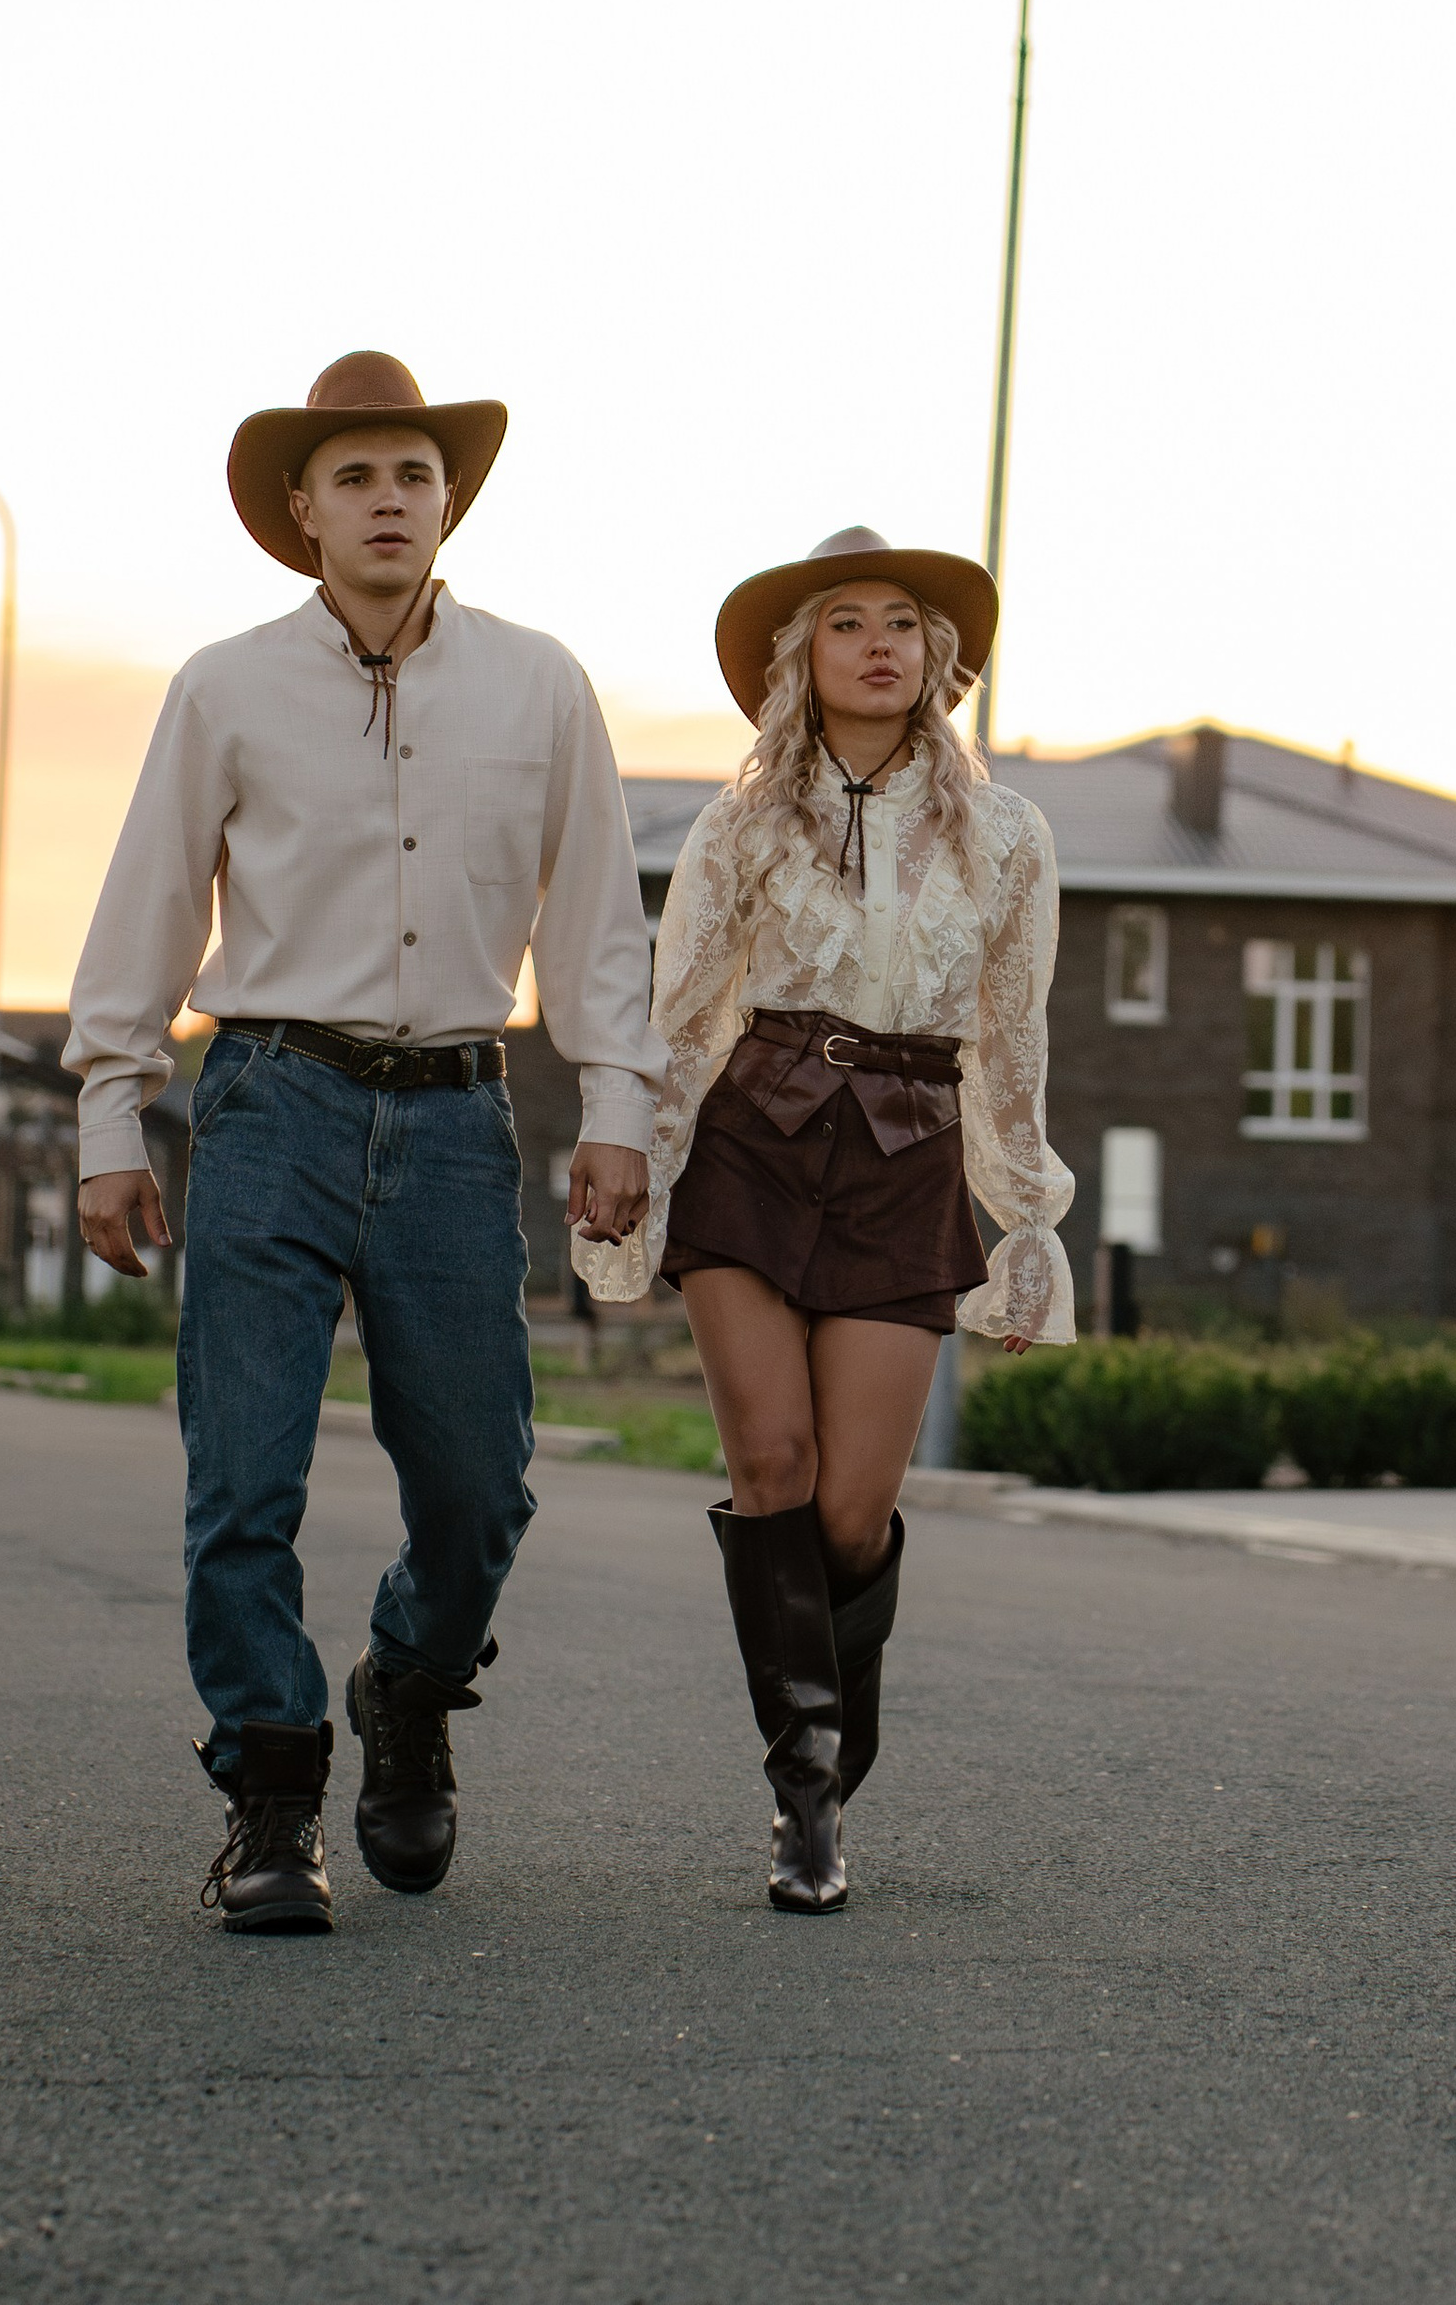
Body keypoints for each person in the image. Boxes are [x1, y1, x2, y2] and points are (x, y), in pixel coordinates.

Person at [65, 352, 658, 1934]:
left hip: (463, 1114)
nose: (387, 500)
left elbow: (599, 918)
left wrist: (617, 1101)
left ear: (447, 502)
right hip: (269, 1101)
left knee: (477, 1487)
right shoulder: (226, 686)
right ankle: (271, 1797)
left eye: (412, 475)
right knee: (242, 1475)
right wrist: (108, 1110)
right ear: (300, 512)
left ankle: (410, 1677)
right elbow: (146, 905)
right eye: (354, 478)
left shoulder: (541, 684)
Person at [576, 525, 1074, 1915]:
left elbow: (1012, 1034)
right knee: (777, 1464)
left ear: (938, 659)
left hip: (910, 1154)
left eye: (903, 622)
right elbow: (683, 1011)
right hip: (757, 1140)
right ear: (803, 658)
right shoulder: (743, 823)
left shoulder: (1014, 836)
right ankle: (803, 1796)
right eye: (846, 621)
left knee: (855, 1511)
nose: (878, 644)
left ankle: (832, 1736)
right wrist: (633, 1151)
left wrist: (1024, 1220)